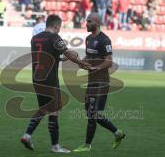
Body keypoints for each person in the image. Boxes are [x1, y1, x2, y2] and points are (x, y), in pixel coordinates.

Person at [20, 14, 91, 153]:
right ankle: (55, 146)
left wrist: (62, 58)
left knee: (43, 109)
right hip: (50, 80)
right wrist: (80, 63)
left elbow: (48, 55)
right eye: (60, 27)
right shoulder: (54, 37)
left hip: (37, 78)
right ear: (56, 26)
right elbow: (67, 53)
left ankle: (27, 135)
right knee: (54, 111)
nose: (60, 29)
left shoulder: (35, 38)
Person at [73, 13, 125, 152]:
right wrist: (81, 62)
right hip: (92, 81)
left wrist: (96, 67)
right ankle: (117, 133)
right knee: (93, 113)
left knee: (91, 114)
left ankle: (86, 145)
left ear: (97, 22)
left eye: (89, 21)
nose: (86, 23)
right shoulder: (89, 39)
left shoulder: (104, 40)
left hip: (101, 82)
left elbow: (109, 61)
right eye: (86, 21)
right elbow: (89, 56)